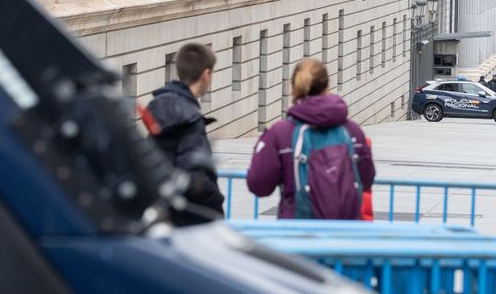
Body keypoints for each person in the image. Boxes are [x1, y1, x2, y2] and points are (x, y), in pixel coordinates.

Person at [247, 58, 375, 219]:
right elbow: (367, 179)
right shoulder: (353, 131)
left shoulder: (280, 133)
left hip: (297, 233)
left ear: (293, 88)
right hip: (344, 234)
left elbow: (259, 185)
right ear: (327, 86)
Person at [147, 43, 225, 225]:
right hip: (184, 219)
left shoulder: (157, 106)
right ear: (206, 75)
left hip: (160, 213)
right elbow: (196, 179)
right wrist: (217, 211)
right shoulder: (190, 119)